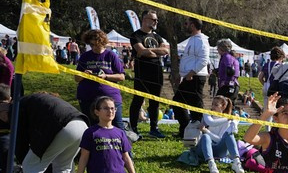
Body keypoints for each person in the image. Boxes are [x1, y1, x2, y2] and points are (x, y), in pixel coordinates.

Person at [15, 92, 89, 173]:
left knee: (31, 166)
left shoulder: (18, 106)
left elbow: (21, 139)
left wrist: (23, 161)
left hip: (62, 125)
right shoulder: (36, 101)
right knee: (63, 168)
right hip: (81, 124)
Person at [128, 10, 170, 138]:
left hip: (157, 72)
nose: (156, 22)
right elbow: (141, 51)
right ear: (145, 19)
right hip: (142, 73)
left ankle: (154, 128)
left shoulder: (157, 36)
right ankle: (133, 128)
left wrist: (150, 50)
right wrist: (151, 51)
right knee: (138, 100)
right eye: (153, 19)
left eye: (156, 20)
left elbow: (165, 51)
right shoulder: (136, 35)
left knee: (155, 101)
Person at [75, 30, 126, 130]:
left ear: (102, 43)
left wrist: (106, 76)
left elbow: (121, 76)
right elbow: (77, 78)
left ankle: (122, 144)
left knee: (118, 126)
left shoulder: (111, 55)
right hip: (88, 97)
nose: (94, 47)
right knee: (91, 127)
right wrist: (84, 75)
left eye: (96, 44)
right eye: (91, 44)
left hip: (111, 96)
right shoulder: (85, 56)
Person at [173, 17, 210, 137]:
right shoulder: (192, 39)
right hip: (189, 76)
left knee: (196, 105)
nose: (185, 26)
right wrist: (181, 74)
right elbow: (188, 59)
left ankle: (197, 130)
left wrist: (191, 73)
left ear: (193, 25)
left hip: (196, 76)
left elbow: (204, 60)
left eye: (186, 23)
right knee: (178, 102)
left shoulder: (202, 40)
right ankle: (186, 128)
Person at [198, 95, 245, 173]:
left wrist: (206, 130)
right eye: (212, 104)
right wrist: (228, 118)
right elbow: (211, 122)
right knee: (205, 137)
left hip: (219, 151)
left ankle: (236, 162)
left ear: (223, 107)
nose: (213, 107)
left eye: (216, 105)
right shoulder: (207, 114)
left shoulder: (227, 120)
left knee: (229, 135)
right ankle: (211, 163)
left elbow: (218, 139)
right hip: (203, 150)